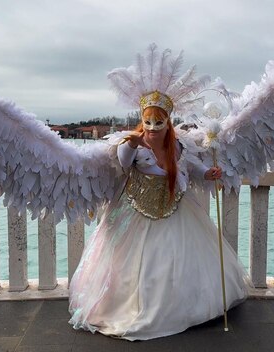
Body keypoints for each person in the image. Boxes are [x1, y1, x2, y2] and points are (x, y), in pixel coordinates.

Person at [68, 92, 251, 341]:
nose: (152, 128)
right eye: (148, 122)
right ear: (142, 121)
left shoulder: (177, 145)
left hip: (175, 208)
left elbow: (192, 166)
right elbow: (123, 162)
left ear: (168, 122)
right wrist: (133, 142)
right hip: (135, 212)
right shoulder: (133, 144)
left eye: (158, 123)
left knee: (175, 259)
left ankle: (183, 307)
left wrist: (209, 173)